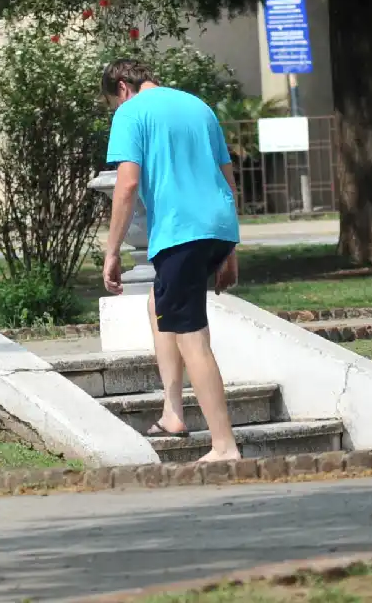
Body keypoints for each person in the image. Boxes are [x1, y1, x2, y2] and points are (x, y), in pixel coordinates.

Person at [101, 58, 242, 462]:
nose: (115, 108)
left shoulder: (130, 112)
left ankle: (224, 445)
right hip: (217, 226)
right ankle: (173, 413)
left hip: (181, 232)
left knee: (191, 337)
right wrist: (231, 248)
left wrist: (112, 251)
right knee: (158, 303)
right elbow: (227, 178)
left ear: (122, 87)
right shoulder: (199, 106)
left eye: (113, 102)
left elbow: (127, 183)